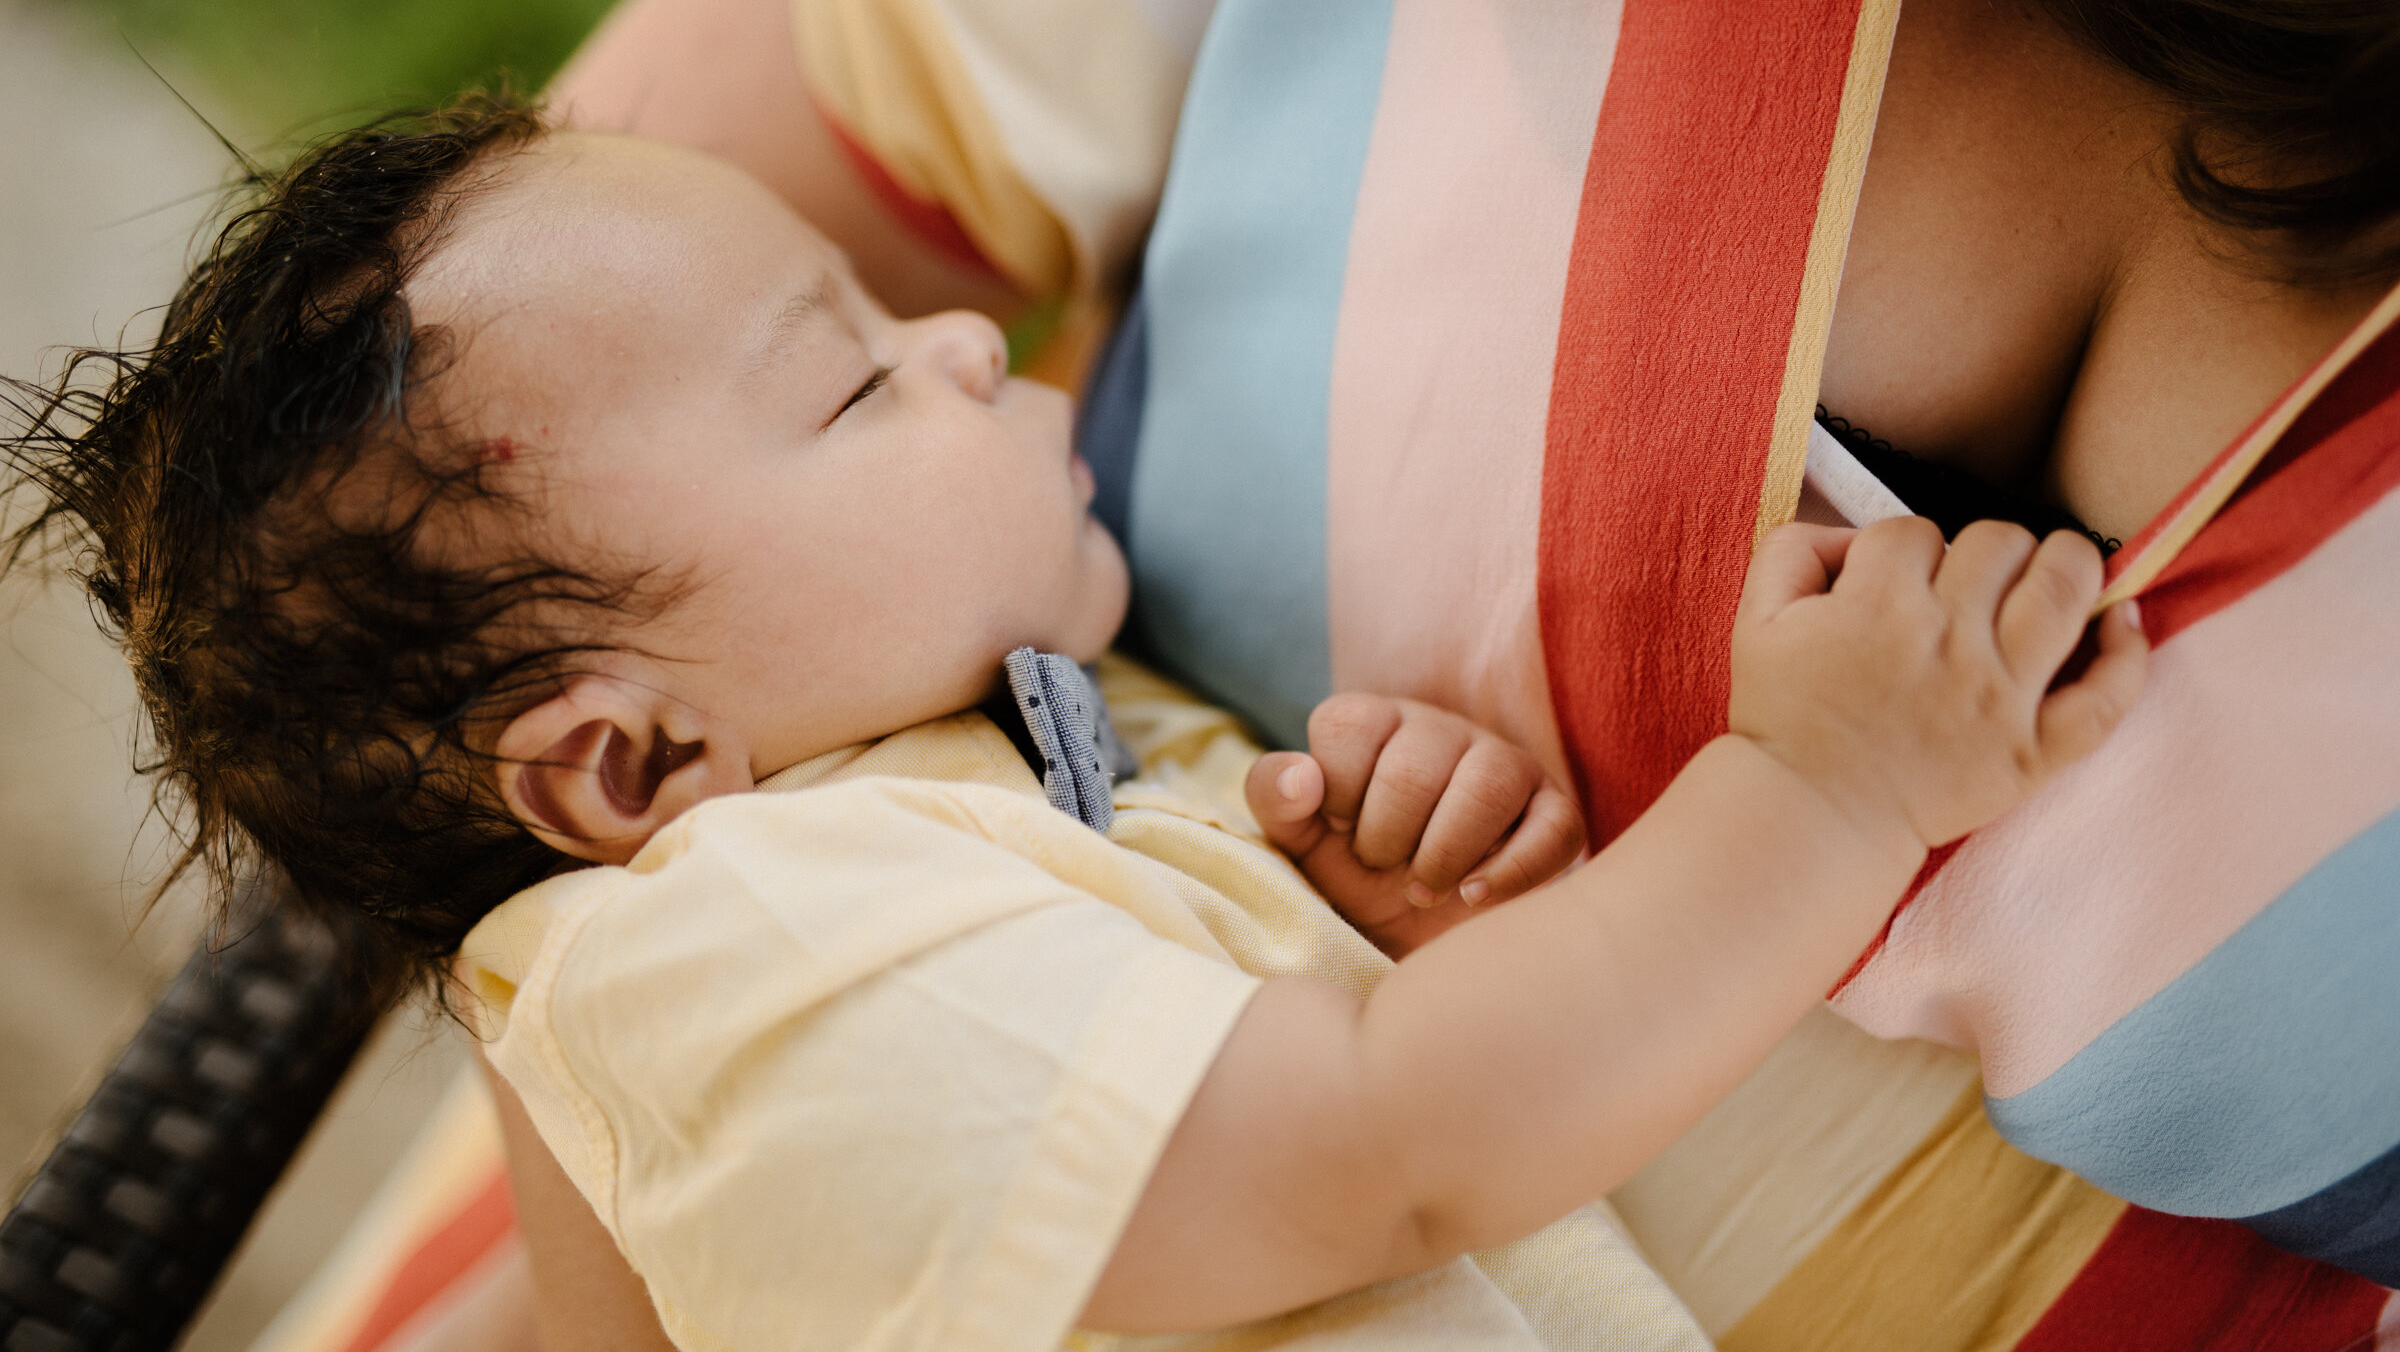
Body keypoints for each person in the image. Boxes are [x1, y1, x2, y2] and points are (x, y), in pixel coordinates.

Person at [2, 101, 2145, 1348]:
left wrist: (1343, 913)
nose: (955, 338)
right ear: (631, 766)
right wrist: (1834, 787)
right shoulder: (735, 949)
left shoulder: (949, 788)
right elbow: (1389, 1148)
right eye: (843, 384)